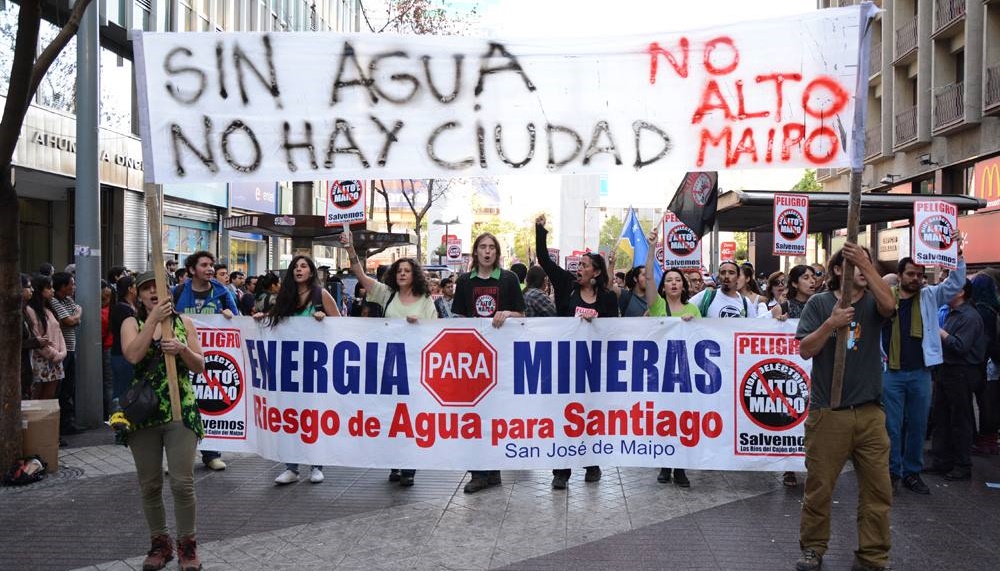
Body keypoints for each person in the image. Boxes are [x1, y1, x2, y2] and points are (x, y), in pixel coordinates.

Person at [794, 243, 895, 571]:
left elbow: (890, 305)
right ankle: (813, 548)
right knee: (820, 487)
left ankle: (872, 555)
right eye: (854, 263)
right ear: (838, 270)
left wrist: (866, 266)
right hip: (829, 413)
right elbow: (805, 350)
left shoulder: (873, 301)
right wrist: (831, 324)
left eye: (867, 264)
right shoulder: (819, 304)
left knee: (878, 489)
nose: (864, 271)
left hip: (869, 413)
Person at [121, 271, 206, 571]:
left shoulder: (185, 324)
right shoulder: (131, 323)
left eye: (157, 288)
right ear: (139, 295)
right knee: (150, 485)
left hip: (180, 410)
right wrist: (154, 321)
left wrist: (182, 350)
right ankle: (160, 543)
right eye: (146, 289)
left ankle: (188, 545)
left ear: (168, 292)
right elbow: (133, 355)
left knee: (183, 483)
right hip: (144, 416)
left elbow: (200, 365)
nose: (153, 293)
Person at [341, 230, 437, 487]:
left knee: (410, 417)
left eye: (407, 270)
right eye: (399, 271)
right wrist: (350, 249)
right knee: (392, 417)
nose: (402, 274)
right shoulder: (387, 294)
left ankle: (409, 466)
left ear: (414, 274)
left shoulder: (426, 301)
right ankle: (395, 463)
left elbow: (436, 332)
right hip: (388, 367)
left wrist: (420, 326)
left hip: (414, 368)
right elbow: (360, 275)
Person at [536, 214, 617, 489]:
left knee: (589, 416)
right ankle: (561, 471)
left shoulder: (607, 298)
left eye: (584, 265)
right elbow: (544, 260)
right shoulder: (565, 286)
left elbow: (614, 329)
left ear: (595, 272)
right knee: (564, 416)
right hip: (565, 364)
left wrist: (599, 323)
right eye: (578, 264)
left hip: (594, 368)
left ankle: (592, 463)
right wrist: (540, 230)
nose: (578, 268)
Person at [881, 255, 965, 495]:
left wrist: (957, 257)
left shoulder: (929, 296)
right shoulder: (886, 297)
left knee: (918, 425)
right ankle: (892, 472)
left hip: (920, 372)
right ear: (899, 275)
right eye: (911, 274)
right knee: (892, 428)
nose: (916, 279)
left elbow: (955, 284)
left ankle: (912, 473)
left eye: (920, 275)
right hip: (891, 373)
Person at [450, 232, 525, 494]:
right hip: (473, 359)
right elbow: (459, 318)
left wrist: (508, 314)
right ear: (475, 252)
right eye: (482, 247)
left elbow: (522, 314)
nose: (487, 251)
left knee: (496, 415)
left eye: (491, 247)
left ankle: (493, 469)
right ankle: (479, 472)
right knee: (474, 416)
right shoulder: (464, 282)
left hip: (501, 358)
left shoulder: (509, 279)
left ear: (497, 252)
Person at [267, 255, 341, 485]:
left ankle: (316, 465)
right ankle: (291, 467)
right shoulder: (285, 297)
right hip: (289, 369)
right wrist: (261, 320)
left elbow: (341, 325)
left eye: (304, 266)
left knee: (312, 417)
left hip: (315, 369)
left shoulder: (321, 295)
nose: (299, 270)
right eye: (295, 267)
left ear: (311, 272)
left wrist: (324, 320)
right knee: (290, 417)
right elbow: (275, 324)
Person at [173, 250, 239, 471]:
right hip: (184, 359)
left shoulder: (222, 292)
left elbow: (238, 322)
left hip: (212, 360)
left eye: (211, 265)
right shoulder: (178, 291)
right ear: (192, 270)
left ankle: (212, 454)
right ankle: (183, 456)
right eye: (204, 265)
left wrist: (229, 316)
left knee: (210, 405)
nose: (210, 269)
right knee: (184, 408)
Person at [927, 280, 986, 482]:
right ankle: (941, 461)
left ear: (960, 292)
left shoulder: (969, 317)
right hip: (946, 370)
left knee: (960, 419)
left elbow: (960, 346)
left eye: (950, 288)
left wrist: (940, 332)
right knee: (940, 416)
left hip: (961, 372)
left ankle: (962, 464)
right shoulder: (953, 314)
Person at [772, 264, 818, 487]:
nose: (812, 281)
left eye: (813, 277)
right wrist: (778, 322)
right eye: (806, 277)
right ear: (794, 283)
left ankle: (812, 464)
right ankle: (789, 467)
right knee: (790, 416)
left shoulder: (821, 304)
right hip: (790, 371)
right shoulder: (783, 307)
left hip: (815, 370)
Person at [969, 274, 1000, 455]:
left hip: (984, 363)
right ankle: (990, 440)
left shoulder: (980, 311)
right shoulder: (995, 309)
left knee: (985, 403)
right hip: (994, 364)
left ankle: (984, 441)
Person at [49, 271, 81, 435]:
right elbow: (69, 320)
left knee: (69, 388)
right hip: (61, 350)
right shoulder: (53, 301)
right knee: (58, 389)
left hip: (71, 348)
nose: (74, 287)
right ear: (62, 286)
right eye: (72, 283)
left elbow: (77, 316)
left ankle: (67, 424)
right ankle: (57, 427)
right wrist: (75, 317)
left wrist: (75, 316)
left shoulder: (68, 300)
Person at [25, 274, 66, 401]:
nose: (52, 291)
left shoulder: (49, 309)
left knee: (50, 397)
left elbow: (59, 333)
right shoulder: (30, 310)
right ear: (40, 290)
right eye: (49, 288)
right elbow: (36, 337)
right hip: (41, 360)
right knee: (37, 399)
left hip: (56, 359)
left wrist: (62, 353)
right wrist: (54, 354)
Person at [689, 261, 756, 318]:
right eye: (723, 273)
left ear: (737, 277)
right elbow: (684, 309)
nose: (726, 276)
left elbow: (753, 327)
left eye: (731, 273)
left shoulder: (746, 303)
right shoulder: (707, 296)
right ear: (718, 277)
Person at [110, 276, 137, 407]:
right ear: (130, 289)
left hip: (130, 353)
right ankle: (118, 418)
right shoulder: (121, 308)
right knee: (122, 389)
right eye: (136, 285)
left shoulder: (134, 306)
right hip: (121, 354)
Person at [20, 274, 44, 399]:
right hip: (18, 368)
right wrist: (35, 342)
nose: (32, 290)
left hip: (26, 364)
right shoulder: (12, 314)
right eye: (28, 287)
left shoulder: (24, 311)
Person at [101, 280, 115, 417]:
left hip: (108, 348)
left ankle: (110, 414)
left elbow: (101, 333)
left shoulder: (103, 313)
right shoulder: (117, 309)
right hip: (118, 348)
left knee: (109, 383)